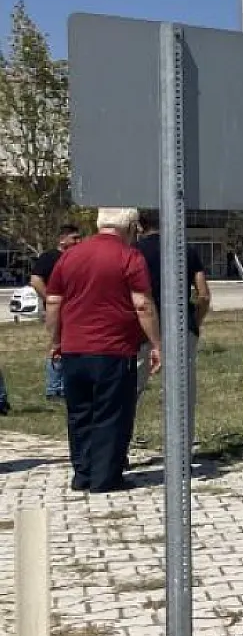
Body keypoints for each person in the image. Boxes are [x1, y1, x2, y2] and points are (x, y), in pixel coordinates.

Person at [44, 207, 160, 493]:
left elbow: (54, 301)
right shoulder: (129, 256)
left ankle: (82, 473)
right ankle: (106, 477)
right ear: (131, 227)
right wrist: (156, 343)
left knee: (79, 413)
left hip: (74, 348)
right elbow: (142, 304)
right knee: (112, 413)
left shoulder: (70, 255)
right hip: (114, 349)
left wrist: (56, 340)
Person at [132, 209, 210, 400]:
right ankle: (185, 430)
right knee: (183, 391)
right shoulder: (186, 250)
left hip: (142, 328)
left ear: (140, 226)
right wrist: (195, 322)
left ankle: (122, 429)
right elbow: (204, 295)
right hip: (182, 326)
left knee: (131, 387)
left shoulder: (132, 252)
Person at [30, 223, 82, 401]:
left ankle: (66, 386)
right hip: (57, 310)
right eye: (74, 238)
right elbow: (36, 280)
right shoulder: (50, 257)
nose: (78, 241)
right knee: (56, 345)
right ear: (62, 239)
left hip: (74, 309)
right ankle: (54, 388)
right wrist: (50, 300)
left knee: (71, 347)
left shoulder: (77, 257)